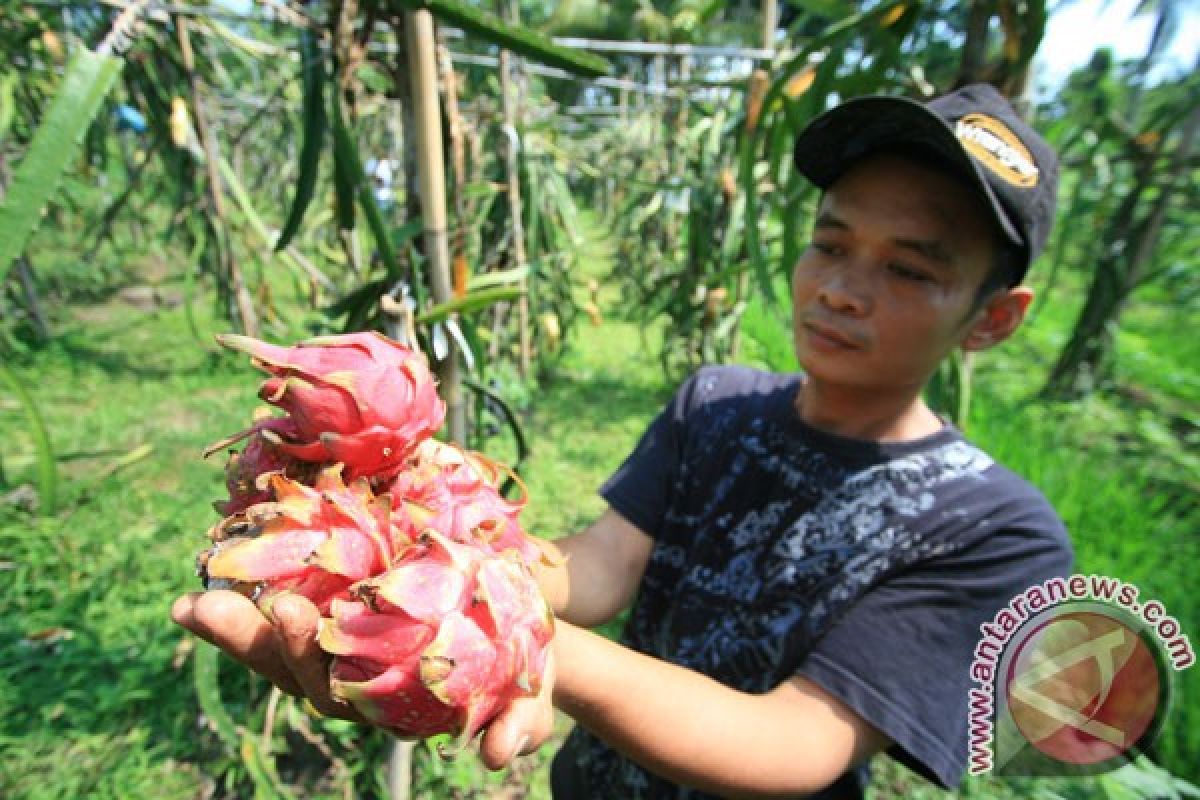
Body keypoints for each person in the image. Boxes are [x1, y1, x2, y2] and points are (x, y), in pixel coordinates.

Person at [173, 82, 1073, 798]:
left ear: (994, 319)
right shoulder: (715, 402)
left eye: (908, 268)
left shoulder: (998, 531)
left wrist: (499, 640)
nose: (842, 287)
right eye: (831, 243)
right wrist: (438, 551)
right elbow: (602, 567)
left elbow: (797, 742)